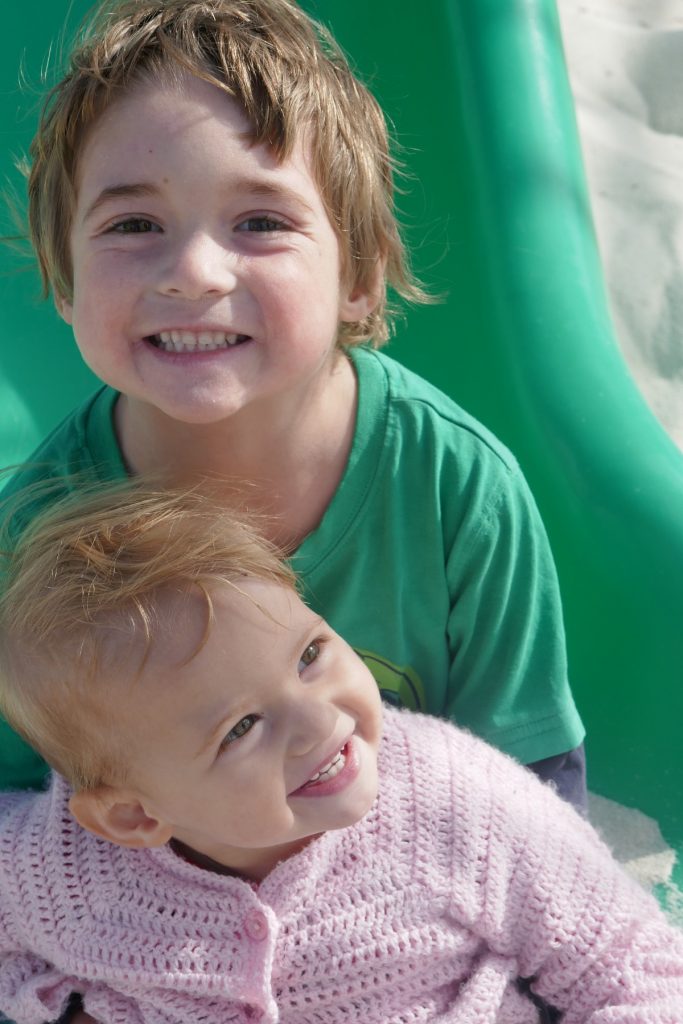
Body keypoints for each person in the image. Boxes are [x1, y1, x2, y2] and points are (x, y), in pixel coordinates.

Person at [0, 0, 586, 809]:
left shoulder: (455, 489)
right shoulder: (36, 533)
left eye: (260, 221)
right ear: (64, 281)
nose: (195, 272)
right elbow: (20, 807)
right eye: (134, 223)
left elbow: (534, 789)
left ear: (358, 276)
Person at [0, 480, 682, 1024]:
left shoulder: (454, 803)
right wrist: (59, 1003)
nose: (317, 720)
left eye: (310, 654)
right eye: (241, 727)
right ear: (131, 818)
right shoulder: (68, 870)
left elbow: (636, 967)